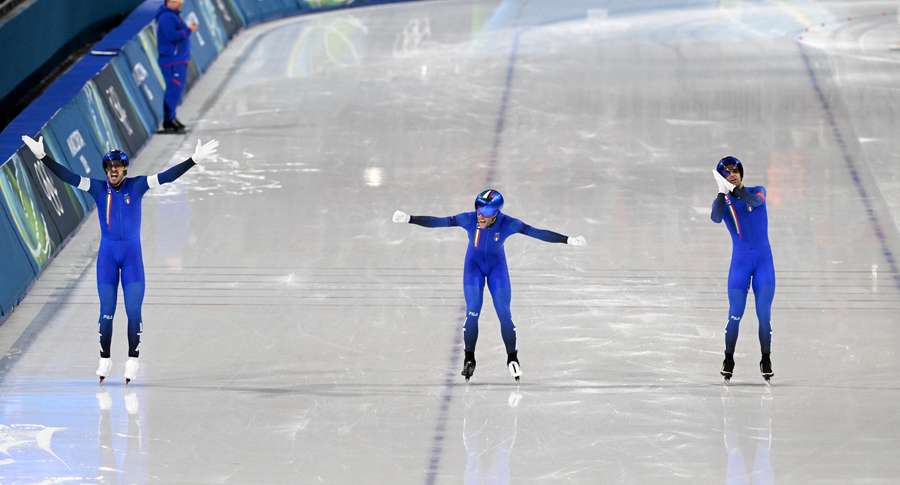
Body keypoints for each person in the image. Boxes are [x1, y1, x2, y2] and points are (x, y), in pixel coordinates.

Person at [22, 134, 218, 383]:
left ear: (125, 169)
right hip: (107, 259)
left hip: (132, 259)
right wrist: (42, 157)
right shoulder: (97, 188)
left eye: (117, 167)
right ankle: (104, 358)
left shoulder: (137, 186)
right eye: (109, 168)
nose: (113, 172)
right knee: (106, 313)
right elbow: (68, 177)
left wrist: (193, 160)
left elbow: (166, 176)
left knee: (133, 311)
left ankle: (133, 358)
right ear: (105, 170)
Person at [393, 189, 586, 382]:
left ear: (495, 214)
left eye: (484, 214)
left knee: (504, 313)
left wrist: (567, 240)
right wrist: (409, 219)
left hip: (497, 269)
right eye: (478, 210)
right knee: (473, 311)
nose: (479, 216)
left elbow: (537, 233)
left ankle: (512, 357)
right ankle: (469, 358)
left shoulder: (509, 223)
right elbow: (439, 222)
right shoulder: (468, 219)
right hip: (473, 268)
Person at [711, 156, 775, 382]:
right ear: (721, 177)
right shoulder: (723, 202)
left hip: (763, 263)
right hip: (740, 264)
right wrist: (722, 193)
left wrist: (734, 191)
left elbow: (756, 202)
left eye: (735, 170)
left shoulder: (758, 191)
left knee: (764, 315)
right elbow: (715, 217)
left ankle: (765, 358)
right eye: (727, 172)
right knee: (735, 314)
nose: (733, 174)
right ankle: (728, 358)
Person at [156, 0, 198, 133]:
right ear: (169, 2)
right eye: (177, 1)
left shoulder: (173, 15)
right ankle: (168, 120)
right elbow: (172, 36)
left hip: (178, 59)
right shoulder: (166, 17)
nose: (180, 4)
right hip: (172, 60)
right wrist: (188, 30)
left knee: (176, 89)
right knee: (173, 89)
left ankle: (172, 117)